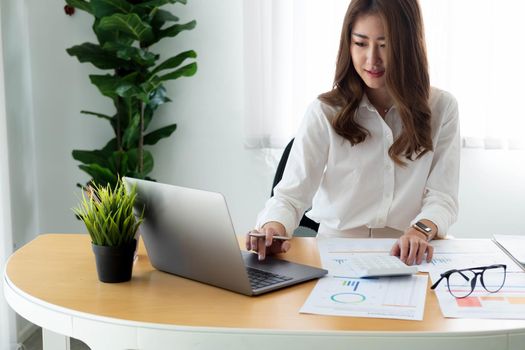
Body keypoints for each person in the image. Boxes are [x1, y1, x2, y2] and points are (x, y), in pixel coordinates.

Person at [246, 0, 460, 266]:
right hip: (334, 253)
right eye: (360, 43)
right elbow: (290, 196)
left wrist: (420, 231)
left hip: (409, 253)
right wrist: (273, 228)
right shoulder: (324, 111)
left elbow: (443, 197)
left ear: (408, 45)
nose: (372, 59)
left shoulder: (441, 108)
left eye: (385, 44)